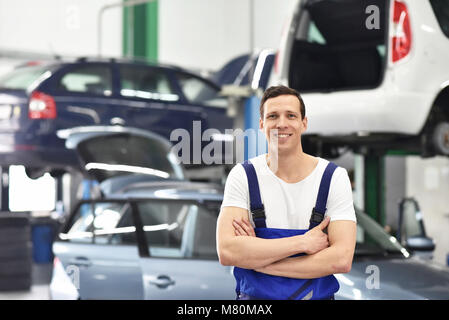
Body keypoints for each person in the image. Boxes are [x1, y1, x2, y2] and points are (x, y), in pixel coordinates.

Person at [216, 85, 357, 300]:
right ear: (262, 124)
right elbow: (227, 251)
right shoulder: (243, 176)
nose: (282, 123)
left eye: (291, 115)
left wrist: (261, 260)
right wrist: (303, 243)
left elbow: (340, 259)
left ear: (304, 123)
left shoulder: (333, 178)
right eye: (273, 116)